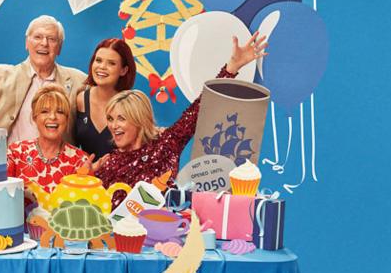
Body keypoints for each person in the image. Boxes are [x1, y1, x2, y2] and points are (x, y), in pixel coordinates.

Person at [96, 33, 267, 209]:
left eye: (121, 119)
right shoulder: (109, 162)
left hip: (161, 232)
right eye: (110, 118)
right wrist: (84, 175)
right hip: (117, 235)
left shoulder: (165, 144)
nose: (113, 125)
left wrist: (231, 68)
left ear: (138, 120)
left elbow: (199, 109)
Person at [0, 14, 86, 145]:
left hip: (59, 166)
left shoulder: (79, 81)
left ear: (59, 48)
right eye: (37, 37)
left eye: (51, 39)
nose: (44, 43)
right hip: (6, 165)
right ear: (27, 43)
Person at [7, 84, 90, 214]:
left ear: (67, 119)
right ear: (35, 117)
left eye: (60, 112)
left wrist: (87, 178)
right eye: (45, 111)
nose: (52, 117)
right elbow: (2, 197)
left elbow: (82, 212)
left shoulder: (80, 160)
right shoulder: (16, 153)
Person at [75, 38, 136, 158]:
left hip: (122, 176)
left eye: (111, 63)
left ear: (123, 70)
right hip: (86, 175)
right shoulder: (81, 99)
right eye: (98, 60)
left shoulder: (132, 105)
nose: (102, 67)